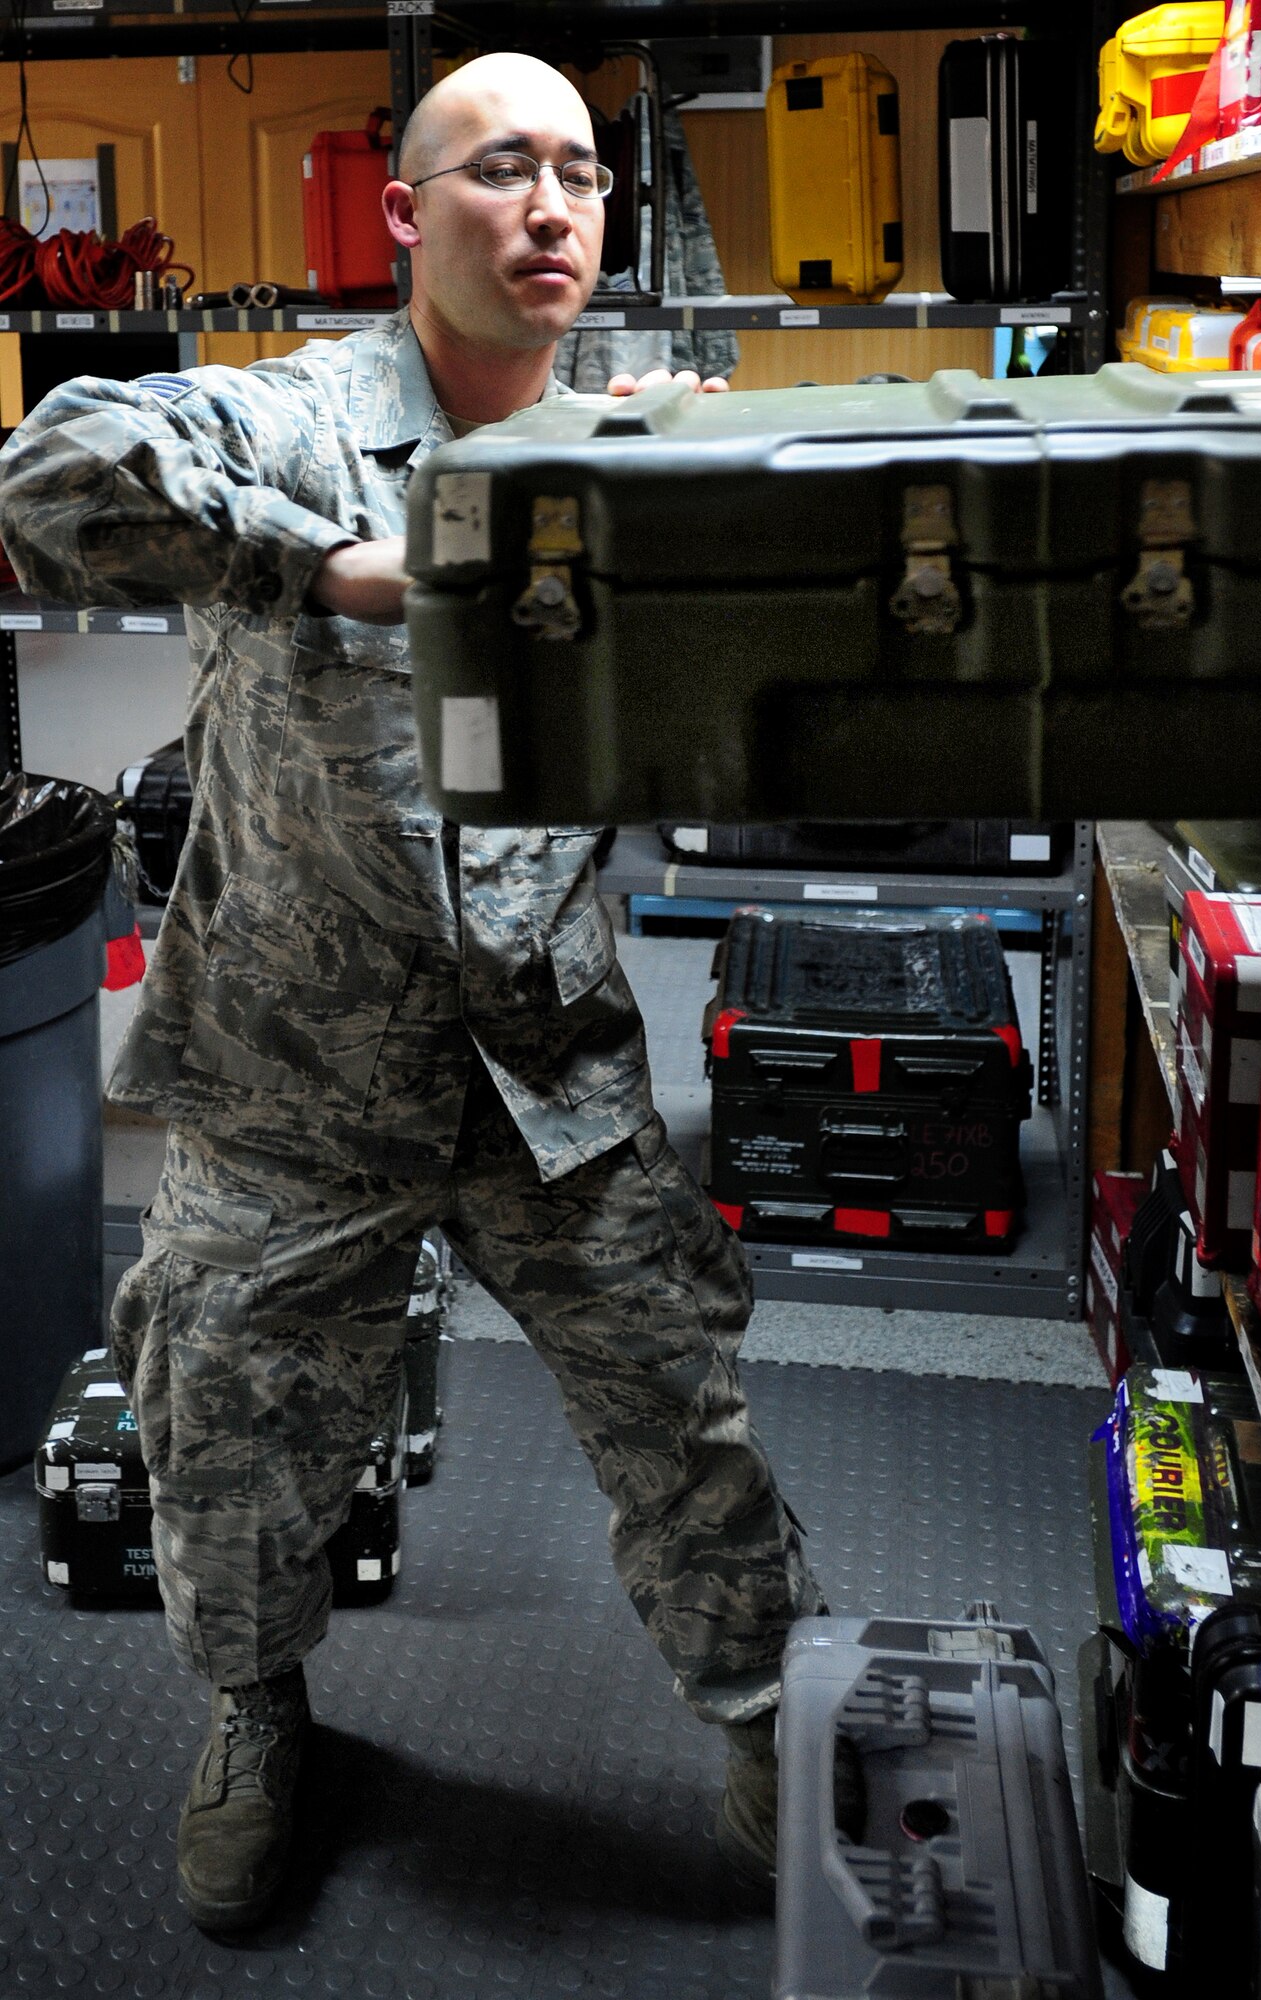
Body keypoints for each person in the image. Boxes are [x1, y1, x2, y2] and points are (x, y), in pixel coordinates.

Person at [0, 52, 824, 1933]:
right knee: (222, 1435)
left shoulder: (627, 453)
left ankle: (773, 1713)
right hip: (294, 1077)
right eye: (502, 169)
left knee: (684, 1418)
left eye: (584, 177)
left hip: (548, 1073)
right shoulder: (290, 421)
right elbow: (47, 471)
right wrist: (345, 572)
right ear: (404, 215)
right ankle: (254, 1711)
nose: (551, 207)